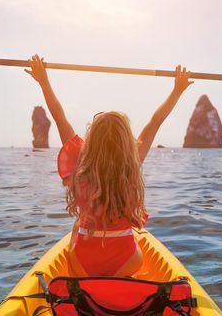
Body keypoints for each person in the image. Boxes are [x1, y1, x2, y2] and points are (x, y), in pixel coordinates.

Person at [25, 54, 192, 276]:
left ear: (92, 137)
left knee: (77, 226)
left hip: (82, 261)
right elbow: (155, 122)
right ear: (126, 141)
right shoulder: (131, 163)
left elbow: (59, 117)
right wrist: (177, 90)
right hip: (127, 260)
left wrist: (43, 81)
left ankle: (85, 290)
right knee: (133, 250)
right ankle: (115, 287)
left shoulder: (80, 161)